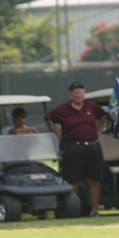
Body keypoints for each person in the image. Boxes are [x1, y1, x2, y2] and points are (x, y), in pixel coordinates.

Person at [45, 81, 107, 217]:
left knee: (94, 179)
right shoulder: (63, 109)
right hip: (73, 147)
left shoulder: (92, 106)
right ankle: (71, 210)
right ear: (71, 95)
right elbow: (48, 119)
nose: (78, 95)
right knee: (73, 180)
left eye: (80, 92)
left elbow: (103, 115)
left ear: (84, 94)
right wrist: (59, 134)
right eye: (75, 93)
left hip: (92, 146)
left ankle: (94, 211)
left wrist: (97, 131)